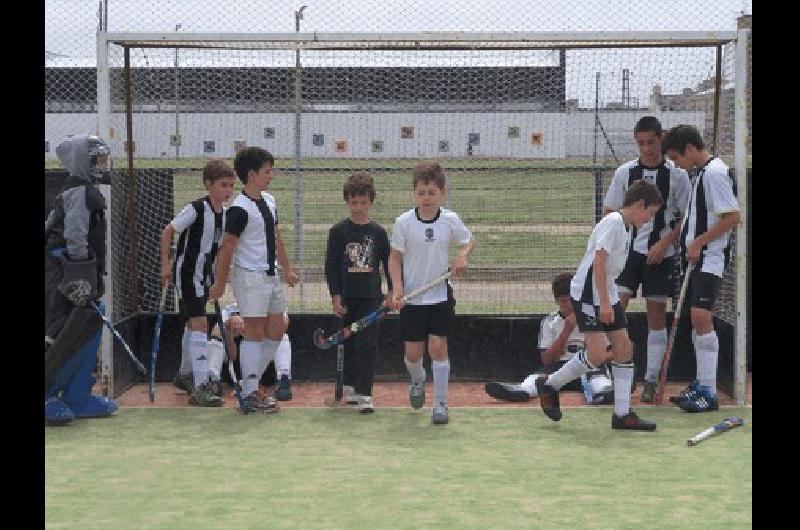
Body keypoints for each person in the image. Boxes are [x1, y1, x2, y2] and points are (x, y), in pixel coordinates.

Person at [535, 180, 663, 431]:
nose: (650, 219)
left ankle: (623, 414)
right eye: (650, 213)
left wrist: (608, 298)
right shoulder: (614, 222)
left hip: (607, 290)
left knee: (623, 348)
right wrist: (604, 303)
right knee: (595, 355)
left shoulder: (627, 228)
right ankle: (550, 384)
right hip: (588, 294)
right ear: (639, 205)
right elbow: (600, 261)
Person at [602, 116, 692, 402]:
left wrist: (665, 242)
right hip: (627, 256)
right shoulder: (624, 172)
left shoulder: (676, 174)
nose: (647, 148)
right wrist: (619, 244)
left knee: (656, 316)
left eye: (651, 142)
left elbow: (686, 218)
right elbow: (609, 210)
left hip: (660, 256)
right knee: (617, 312)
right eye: (641, 143)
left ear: (661, 139)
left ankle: (651, 379)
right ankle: (616, 376)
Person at [209, 147, 299, 414]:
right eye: (267, 171)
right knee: (255, 331)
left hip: (270, 276)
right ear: (252, 174)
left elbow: (276, 236)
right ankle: (250, 393)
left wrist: (288, 268)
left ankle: (249, 384)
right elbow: (227, 248)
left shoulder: (269, 201)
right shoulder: (239, 209)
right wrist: (220, 282)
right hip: (250, 277)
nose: (271, 176)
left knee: (278, 325)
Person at [388, 161, 476, 425]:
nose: (426, 198)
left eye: (432, 192)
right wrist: (398, 290)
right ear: (414, 193)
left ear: (442, 192)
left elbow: (469, 241)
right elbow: (394, 259)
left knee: (438, 347)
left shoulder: (450, 220)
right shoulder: (404, 222)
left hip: (440, 296)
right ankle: (417, 380)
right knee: (413, 355)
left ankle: (440, 404)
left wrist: (462, 256)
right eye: (421, 193)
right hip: (412, 299)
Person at [661, 124, 741, 413]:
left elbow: (732, 217)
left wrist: (698, 243)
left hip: (711, 258)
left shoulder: (716, 173)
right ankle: (702, 382)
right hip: (697, 259)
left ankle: (709, 392)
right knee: (697, 320)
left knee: (701, 317)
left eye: (677, 157)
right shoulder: (701, 173)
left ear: (691, 149)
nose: (677, 165)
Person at [45, 134, 118, 424]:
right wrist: (77, 274)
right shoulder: (77, 191)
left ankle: (77, 395)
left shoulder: (85, 190)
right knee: (64, 335)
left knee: (88, 331)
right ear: (82, 161)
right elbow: (74, 235)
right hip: (66, 279)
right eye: (97, 159)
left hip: (83, 276)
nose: (102, 164)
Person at [159, 159, 236, 407]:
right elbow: (168, 231)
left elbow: (219, 247)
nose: (228, 190)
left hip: (204, 278)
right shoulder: (196, 209)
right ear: (208, 185)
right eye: (223, 185)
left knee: (193, 326)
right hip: (187, 275)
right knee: (200, 324)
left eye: (230, 186)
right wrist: (165, 265)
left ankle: (184, 375)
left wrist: (217, 275)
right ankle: (201, 387)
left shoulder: (224, 215)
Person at [484, 273, 614, 406]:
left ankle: (605, 392)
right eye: (563, 301)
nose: (569, 305)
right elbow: (546, 360)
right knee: (538, 378)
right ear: (556, 301)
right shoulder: (549, 322)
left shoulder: (594, 318)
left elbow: (612, 352)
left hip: (588, 367)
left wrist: (594, 355)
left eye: (572, 300)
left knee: (598, 378)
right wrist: (566, 330)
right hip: (559, 368)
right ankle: (521, 391)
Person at [324, 172, 392, 414]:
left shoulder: (378, 233)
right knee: (350, 343)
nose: (359, 208)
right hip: (347, 298)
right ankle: (351, 386)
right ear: (347, 202)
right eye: (354, 203)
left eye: (363, 203)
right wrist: (335, 296)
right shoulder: (338, 232)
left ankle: (365, 394)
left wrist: (392, 291)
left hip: (371, 299)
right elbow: (331, 267)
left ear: (371, 202)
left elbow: (388, 263)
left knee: (367, 345)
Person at [208, 304, 294, 401]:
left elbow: (284, 325)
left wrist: (251, 327)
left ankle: (284, 379)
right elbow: (231, 353)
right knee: (216, 337)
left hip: (264, 364)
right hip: (237, 365)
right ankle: (213, 380)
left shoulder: (274, 306)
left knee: (280, 334)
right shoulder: (231, 310)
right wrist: (228, 327)